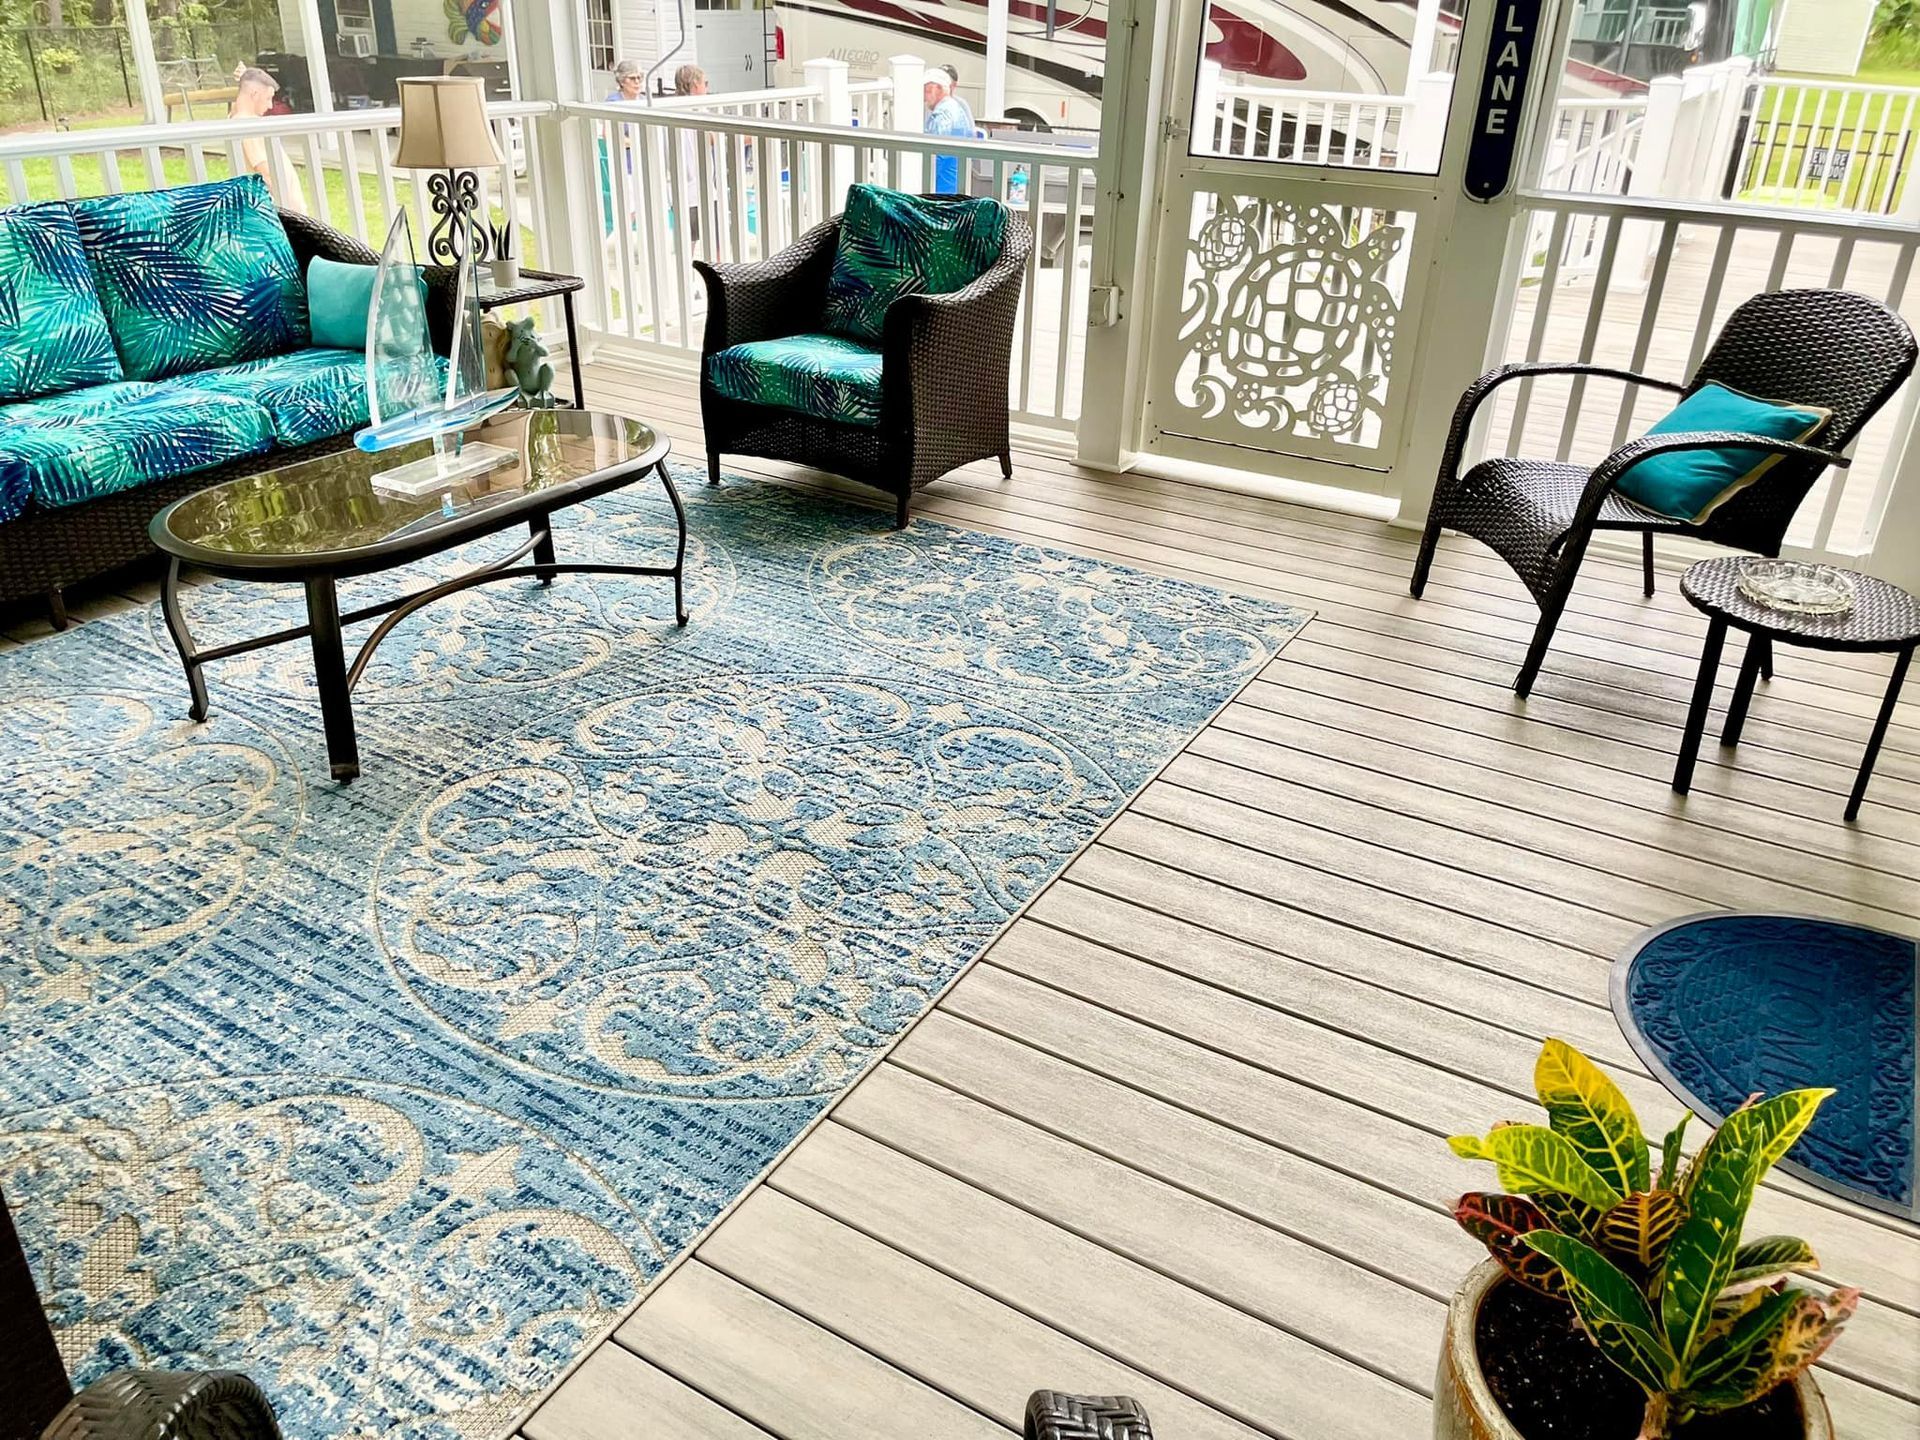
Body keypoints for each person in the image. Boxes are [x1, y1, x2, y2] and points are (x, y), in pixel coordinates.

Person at [230, 66, 305, 213]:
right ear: (254, 94)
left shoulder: (237, 119)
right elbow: (266, 174)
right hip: (282, 210)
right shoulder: (249, 126)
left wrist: (248, 76)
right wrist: (290, 210)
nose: (270, 105)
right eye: (268, 98)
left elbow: (240, 100)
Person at [923, 68, 972, 194]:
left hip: (942, 187)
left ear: (938, 89)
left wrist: (923, 181)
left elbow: (937, 156)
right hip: (955, 183)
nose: (924, 96)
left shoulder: (942, 115)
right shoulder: (957, 108)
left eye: (927, 90)